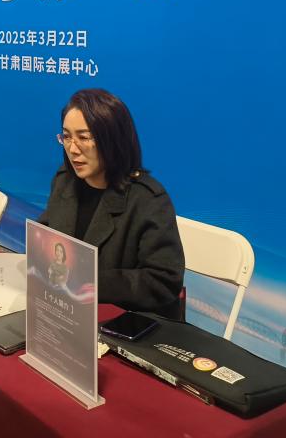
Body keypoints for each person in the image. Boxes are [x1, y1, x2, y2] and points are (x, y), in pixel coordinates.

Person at [38, 89, 184, 318]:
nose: (73, 149)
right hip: (66, 314)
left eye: (84, 138)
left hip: (124, 322)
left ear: (112, 140)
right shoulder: (65, 180)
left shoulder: (148, 200)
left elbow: (163, 281)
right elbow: (47, 234)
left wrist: (89, 281)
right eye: (66, 137)